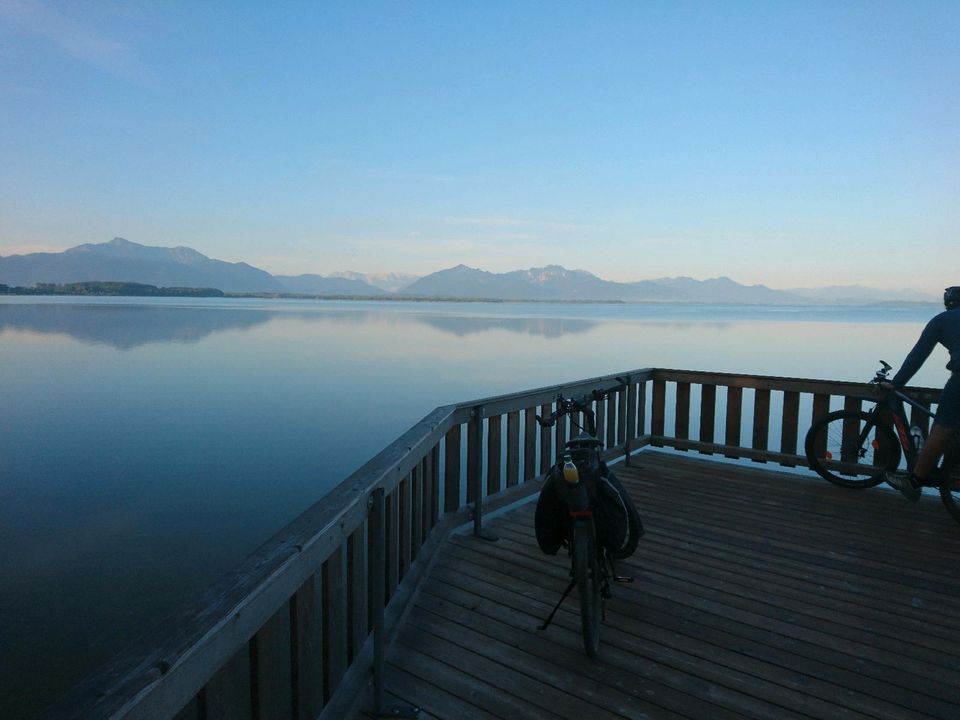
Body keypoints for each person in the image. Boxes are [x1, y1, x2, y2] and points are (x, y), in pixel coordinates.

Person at [883, 286, 960, 500]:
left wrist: (897, 383)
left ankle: (915, 481)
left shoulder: (942, 320)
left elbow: (918, 355)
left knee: (942, 428)